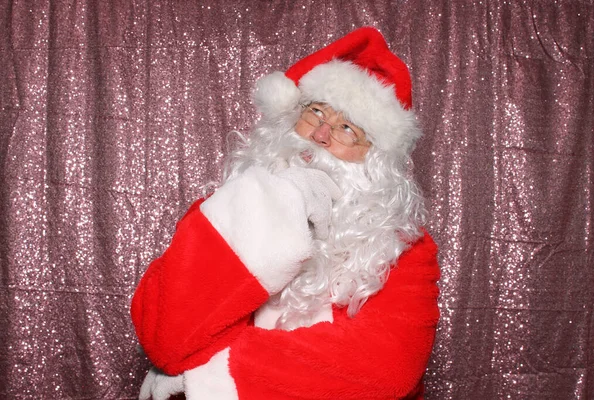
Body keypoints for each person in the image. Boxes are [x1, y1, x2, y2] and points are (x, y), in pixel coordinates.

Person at [131, 27, 440, 400]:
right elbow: (167, 336)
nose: (320, 135)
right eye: (315, 113)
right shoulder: (223, 211)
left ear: (376, 160)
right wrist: (277, 201)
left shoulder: (403, 248)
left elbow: (383, 369)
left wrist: (206, 374)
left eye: (347, 129)